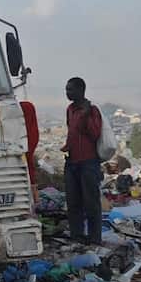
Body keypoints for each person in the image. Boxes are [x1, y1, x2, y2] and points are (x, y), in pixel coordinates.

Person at [60, 76, 104, 246]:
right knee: (73, 202)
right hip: (72, 162)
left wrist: (85, 115)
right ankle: (77, 236)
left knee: (91, 202)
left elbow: (94, 134)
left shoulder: (92, 111)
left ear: (81, 90)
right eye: (66, 89)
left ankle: (94, 238)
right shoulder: (70, 109)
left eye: (70, 89)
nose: (67, 93)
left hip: (88, 162)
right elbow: (71, 132)